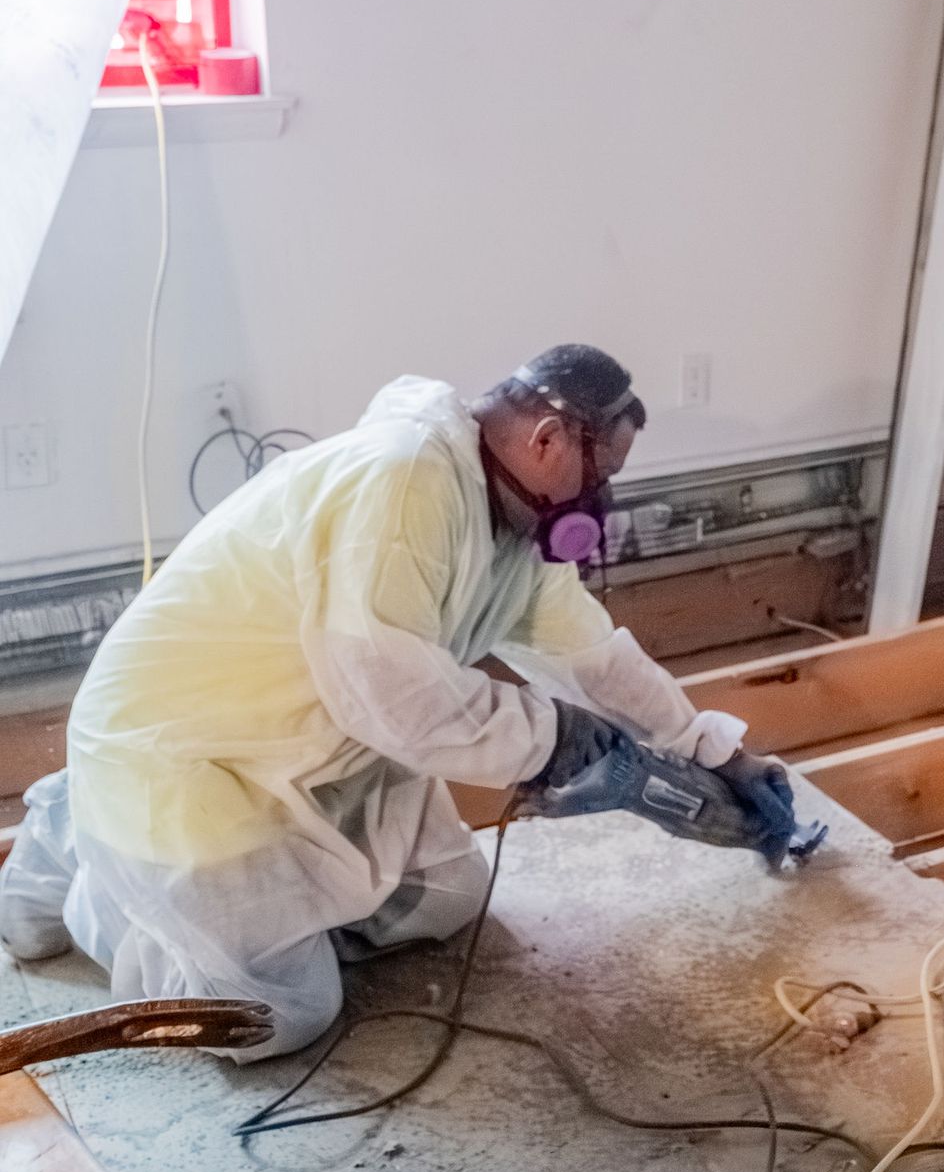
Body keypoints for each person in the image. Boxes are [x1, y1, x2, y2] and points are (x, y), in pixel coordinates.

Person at [1, 348, 786, 1056]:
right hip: (187, 759)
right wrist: (549, 738)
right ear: (547, 438)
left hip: (315, 746)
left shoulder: (515, 525)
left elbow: (592, 658)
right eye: (601, 473)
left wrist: (713, 749)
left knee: (444, 898)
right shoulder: (403, 480)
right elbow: (398, 699)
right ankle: (82, 837)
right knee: (279, 1017)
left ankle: (254, 906)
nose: (602, 496)